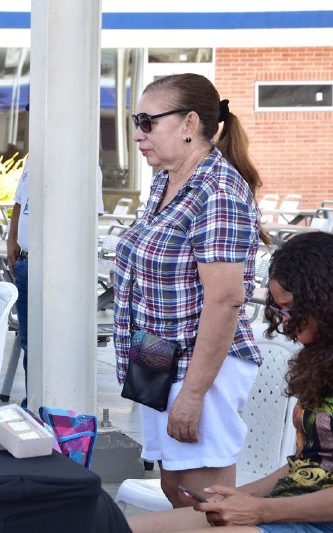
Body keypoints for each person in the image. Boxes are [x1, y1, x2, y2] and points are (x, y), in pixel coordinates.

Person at [114, 73, 265, 506]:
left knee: (205, 505)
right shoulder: (166, 180)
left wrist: (194, 393)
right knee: (174, 489)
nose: (139, 134)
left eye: (148, 121)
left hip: (200, 366)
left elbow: (225, 298)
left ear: (189, 124)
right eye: (135, 121)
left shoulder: (216, 189)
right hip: (158, 355)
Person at [128, 231, 333, 532]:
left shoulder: (221, 192)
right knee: (120, 527)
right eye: (278, 309)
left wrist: (261, 510)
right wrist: (243, 496)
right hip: (289, 508)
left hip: (312, 520)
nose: (284, 320)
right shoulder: (320, 357)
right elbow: (307, 464)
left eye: (290, 309)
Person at [6, 158, 103, 409]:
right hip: (26, 263)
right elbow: (19, 201)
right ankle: (34, 404)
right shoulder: (31, 158)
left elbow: (90, 215)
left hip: (60, 267)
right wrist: (12, 239)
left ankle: (59, 409)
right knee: (30, 341)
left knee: (58, 340)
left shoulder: (78, 154)